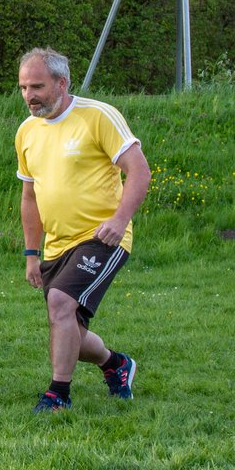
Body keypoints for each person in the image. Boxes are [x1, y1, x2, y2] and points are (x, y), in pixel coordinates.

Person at [15, 47, 149, 413]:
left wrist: (119, 220)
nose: (30, 96)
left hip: (103, 236)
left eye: (37, 86)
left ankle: (58, 394)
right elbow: (30, 196)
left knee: (60, 304)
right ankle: (114, 364)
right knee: (68, 325)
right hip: (57, 245)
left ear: (62, 82)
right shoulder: (26, 131)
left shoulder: (98, 116)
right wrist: (31, 253)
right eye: (24, 87)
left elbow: (139, 171)